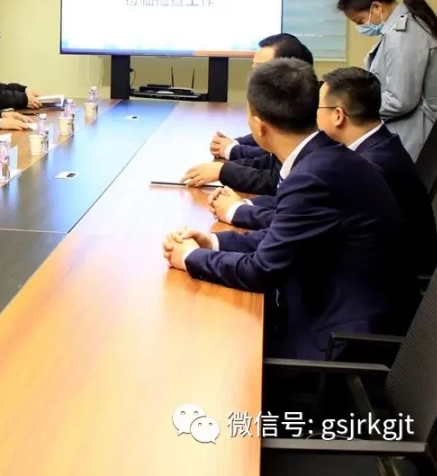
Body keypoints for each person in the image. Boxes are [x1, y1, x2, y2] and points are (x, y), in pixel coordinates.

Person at [162, 58, 411, 360]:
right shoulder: (323, 157)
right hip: (328, 307)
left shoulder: (314, 175)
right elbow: (281, 235)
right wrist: (213, 242)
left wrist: (190, 258)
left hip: (337, 342)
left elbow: (262, 270)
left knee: (211, 346)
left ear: (259, 126)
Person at [212, 67, 437, 280]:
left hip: (382, 279)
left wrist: (238, 211)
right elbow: (306, 212)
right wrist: (245, 206)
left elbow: (303, 221)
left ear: (338, 115)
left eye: (317, 108)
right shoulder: (372, 147)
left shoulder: (372, 163)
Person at [338, 0, 437, 161]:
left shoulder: (403, 35)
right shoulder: (402, 29)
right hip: (416, 131)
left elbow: (400, 101)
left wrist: (357, 110)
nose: (360, 27)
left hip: (416, 135)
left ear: (376, 7)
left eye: (359, 21)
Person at [208, 33, 314, 162]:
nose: (255, 76)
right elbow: (267, 132)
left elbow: (275, 156)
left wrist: (231, 150)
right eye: (254, 69)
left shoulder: (308, 106)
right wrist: (235, 143)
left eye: (261, 69)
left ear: (289, 70)